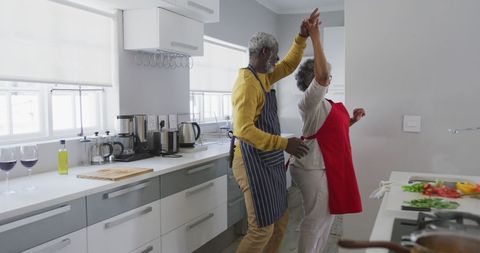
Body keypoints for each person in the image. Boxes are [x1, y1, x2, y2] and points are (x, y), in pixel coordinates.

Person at [230, 9, 320, 253]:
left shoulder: (264, 77)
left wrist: (302, 37)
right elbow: (244, 130)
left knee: (280, 221)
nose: (278, 58)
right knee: (261, 229)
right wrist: (284, 143)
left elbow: (290, 64)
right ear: (265, 52)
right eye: (275, 54)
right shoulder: (247, 84)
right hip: (250, 162)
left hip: (266, 160)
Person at [288, 14, 366, 253]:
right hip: (312, 167)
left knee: (327, 217)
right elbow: (322, 77)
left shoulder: (326, 104)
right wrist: (315, 36)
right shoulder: (308, 102)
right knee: (315, 221)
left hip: (324, 165)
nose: (329, 79)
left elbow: (328, 131)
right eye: (326, 76)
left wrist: (351, 121)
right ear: (313, 81)